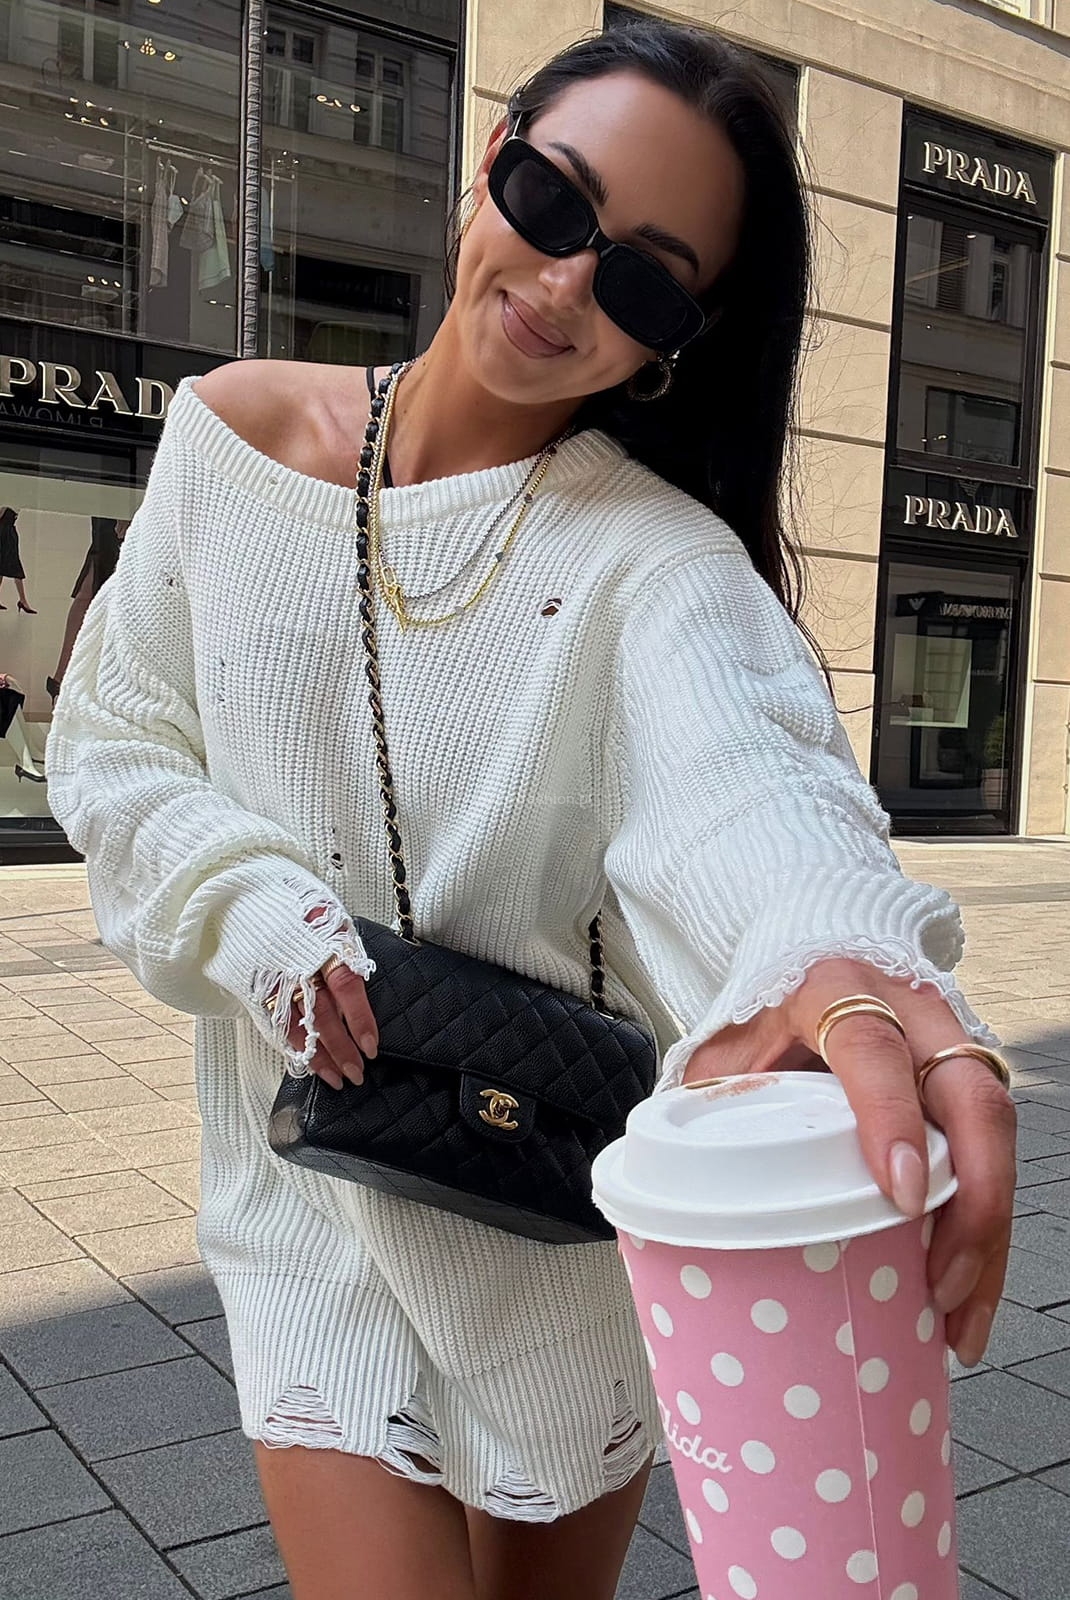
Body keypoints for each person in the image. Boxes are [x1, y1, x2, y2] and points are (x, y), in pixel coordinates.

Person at [45, 19, 1015, 1600]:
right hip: (306, 1194)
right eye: (554, 203)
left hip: (551, 1224)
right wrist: (252, 911)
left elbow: (748, 780)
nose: (565, 283)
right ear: (488, 165)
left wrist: (830, 950)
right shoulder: (229, 440)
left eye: (642, 281)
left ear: (677, 339)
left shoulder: (657, 562)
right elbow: (117, 742)